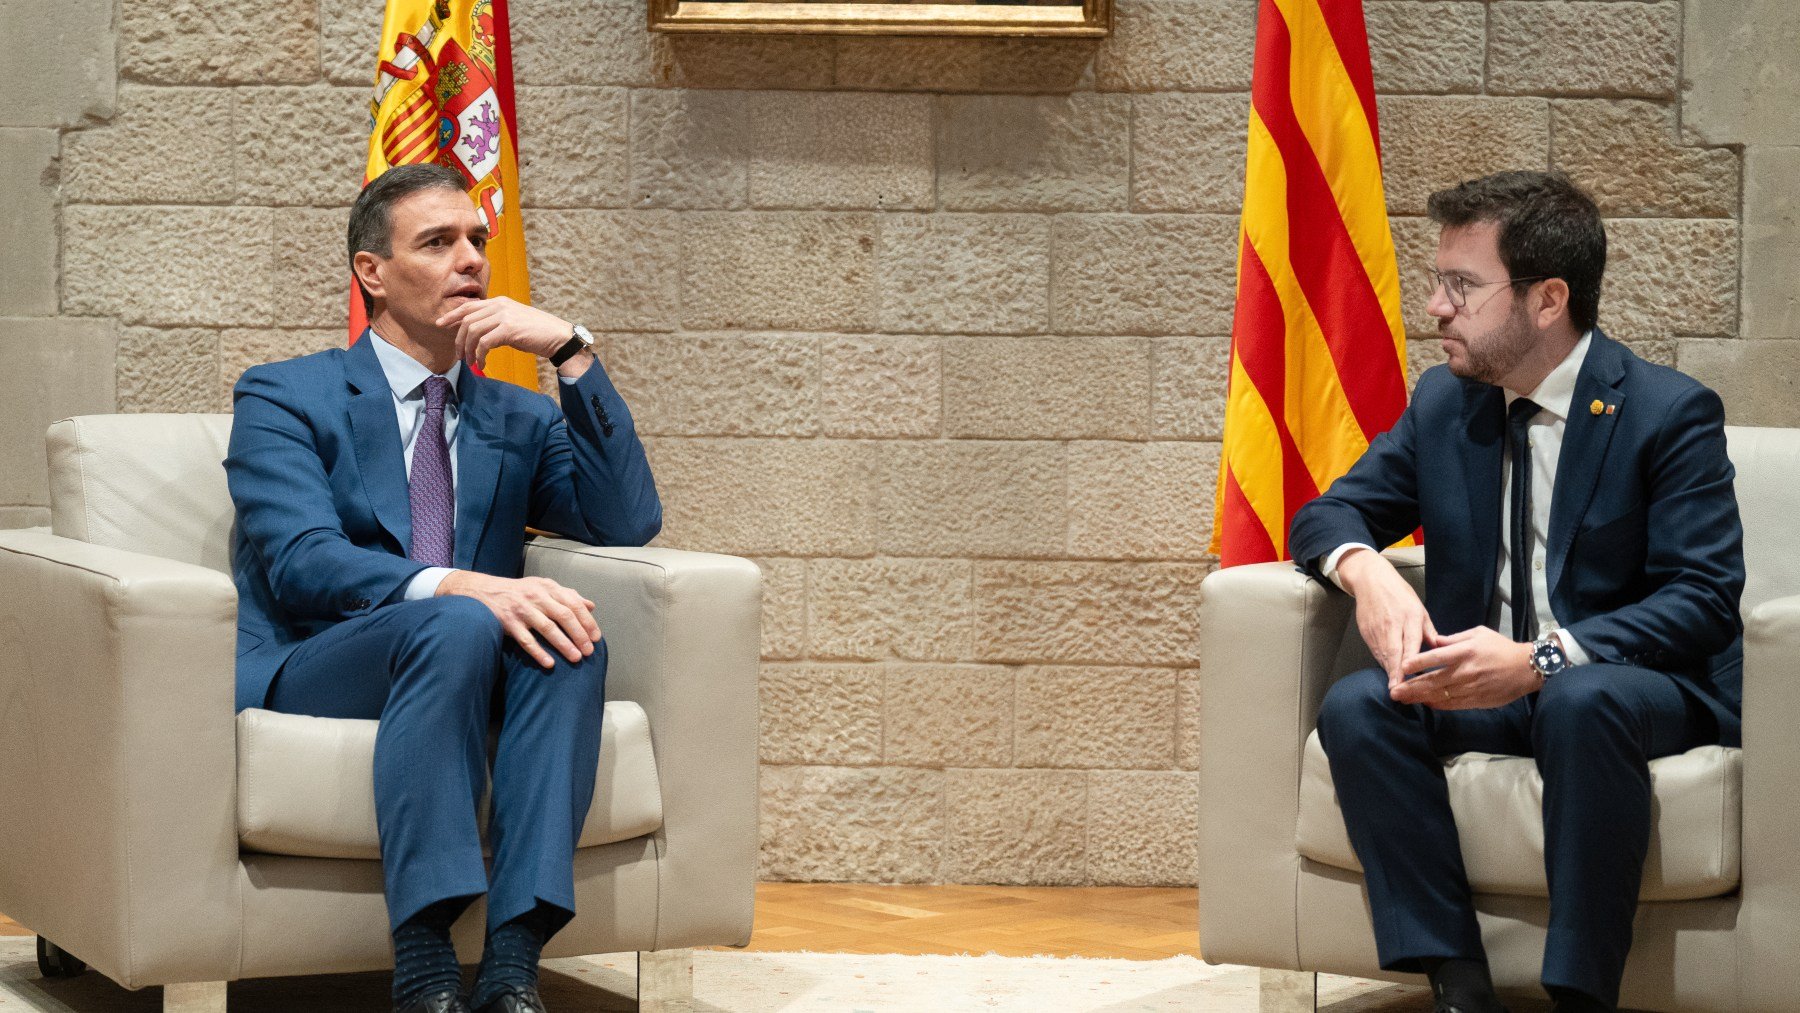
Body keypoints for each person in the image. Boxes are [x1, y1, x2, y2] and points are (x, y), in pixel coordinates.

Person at [1289, 171, 1744, 1013]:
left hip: (1635, 685)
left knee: (1580, 700)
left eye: (1461, 285)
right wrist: (1367, 570)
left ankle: (1579, 993)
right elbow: (1327, 512)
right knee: (1359, 705)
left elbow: (1703, 598)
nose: (1435, 306)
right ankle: (1459, 985)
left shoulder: (1665, 412)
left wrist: (1541, 658)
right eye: (1438, 282)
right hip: (1488, 684)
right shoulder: (1444, 403)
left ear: (1547, 299)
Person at [225, 162, 661, 1013]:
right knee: (463, 619)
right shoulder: (285, 393)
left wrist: (572, 355)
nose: (469, 259)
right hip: (322, 659)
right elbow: (303, 561)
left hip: (460, 657)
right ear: (372, 274)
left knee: (568, 632)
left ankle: (512, 965)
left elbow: (627, 520)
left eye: (475, 241)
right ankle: (424, 963)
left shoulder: (520, 415)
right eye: (437, 241)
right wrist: (465, 586)